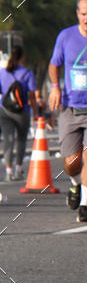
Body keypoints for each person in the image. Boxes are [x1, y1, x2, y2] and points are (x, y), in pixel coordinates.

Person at [48, 0, 87, 222]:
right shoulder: (66, 36)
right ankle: (75, 183)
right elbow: (54, 65)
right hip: (70, 108)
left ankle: (85, 206)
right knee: (72, 163)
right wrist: (55, 87)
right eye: (83, 14)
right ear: (77, 13)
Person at [0, 45, 38, 181]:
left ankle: (8, 171)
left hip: (4, 110)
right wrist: (36, 113)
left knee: (8, 140)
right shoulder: (27, 73)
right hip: (22, 112)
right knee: (21, 140)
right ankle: (18, 170)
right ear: (22, 57)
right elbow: (32, 95)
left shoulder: (2, 72)